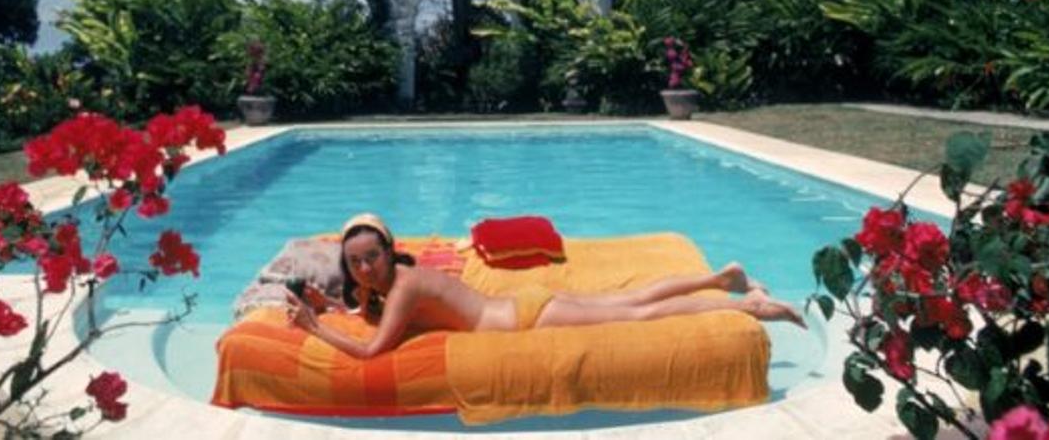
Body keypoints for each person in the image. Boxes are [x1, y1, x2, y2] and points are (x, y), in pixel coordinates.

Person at [284, 213, 805, 360]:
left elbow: (373, 350)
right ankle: (722, 278)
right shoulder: (395, 280)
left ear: (387, 249)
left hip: (525, 319)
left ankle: (748, 308)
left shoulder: (401, 290)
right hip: (522, 304)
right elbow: (364, 311)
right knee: (630, 297)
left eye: (370, 258)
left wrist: (312, 327)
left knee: (636, 315)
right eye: (353, 264)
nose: (363, 271)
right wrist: (327, 303)